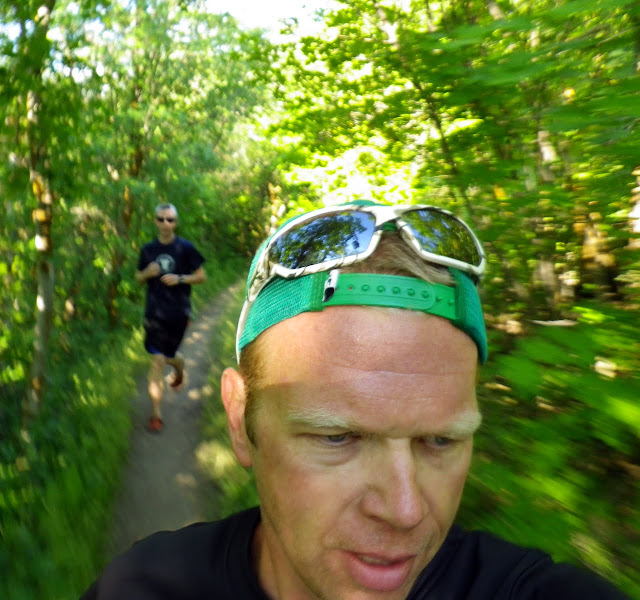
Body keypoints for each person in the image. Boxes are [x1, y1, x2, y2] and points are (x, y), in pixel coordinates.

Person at [83, 201, 628, 599]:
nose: (405, 511)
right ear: (241, 418)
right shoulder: (144, 587)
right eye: (337, 437)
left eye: (441, 440)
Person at [135, 202, 205, 432]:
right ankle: (156, 415)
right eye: (161, 219)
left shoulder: (185, 248)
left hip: (179, 312)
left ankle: (179, 367)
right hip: (154, 313)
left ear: (175, 222)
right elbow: (138, 278)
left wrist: (180, 279)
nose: (166, 223)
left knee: (169, 356)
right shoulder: (148, 250)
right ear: (155, 221)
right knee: (157, 360)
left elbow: (201, 276)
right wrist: (147, 273)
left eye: (170, 219)